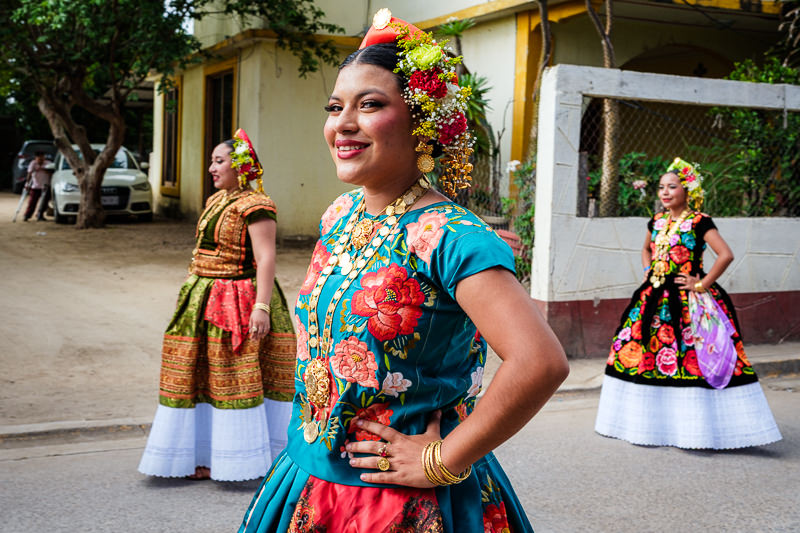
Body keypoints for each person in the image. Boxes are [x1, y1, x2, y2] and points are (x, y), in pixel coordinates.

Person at [238, 9, 569, 532]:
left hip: (396, 502)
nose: (343, 123)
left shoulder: (451, 237)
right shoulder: (340, 213)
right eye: (334, 107)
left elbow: (540, 362)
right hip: (308, 478)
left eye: (370, 105)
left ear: (423, 123)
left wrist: (443, 458)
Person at [138, 129, 296, 481]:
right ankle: (201, 455)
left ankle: (243, 459)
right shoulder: (215, 201)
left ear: (240, 166)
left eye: (219, 160)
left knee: (233, 378)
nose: (212, 168)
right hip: (203, 298)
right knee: (199, 376)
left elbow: (266, 257)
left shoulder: (256, 206)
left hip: (238, 300)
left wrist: (262, 307)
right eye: (212, 161)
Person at [595, 157, 782, 449]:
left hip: (688, 302)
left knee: (692, 358)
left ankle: (697, 430)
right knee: (644, 355)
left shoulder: (699, 222)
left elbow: (725, 254)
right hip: (652, 299)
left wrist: (701, 284)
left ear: (687, 191)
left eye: (672, 187)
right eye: (661, 187)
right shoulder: (657, 221)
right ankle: (648, 427)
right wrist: (649, 270)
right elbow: (645, 248)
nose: (665, 192)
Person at [24, 151, 52, 221]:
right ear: (36, 158)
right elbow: (29, 173)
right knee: (32, 202)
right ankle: (27, 215)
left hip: (46, 186)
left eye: (42, 158)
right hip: (36, 186)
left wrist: (46, 170)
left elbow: (52, 171)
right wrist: (27, 184)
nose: (41, 160)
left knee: (44, 202)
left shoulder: (48, 163)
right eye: (39, 158)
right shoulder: (33, 163)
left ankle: (40, 215)